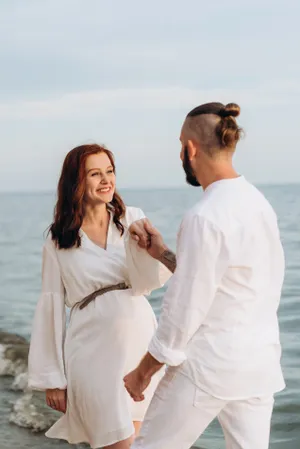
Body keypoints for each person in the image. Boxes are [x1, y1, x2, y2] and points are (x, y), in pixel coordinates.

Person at [124, 102, 286, 449]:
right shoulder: (259, 205)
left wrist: (142, 373)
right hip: (259, 365)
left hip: (208, 366)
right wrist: (162, 253)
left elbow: (182, 310)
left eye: (180, 145)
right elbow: (226, 280)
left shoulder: (205, 215)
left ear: (190, 148)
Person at [28, 144, 172, 449]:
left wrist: (146, 248)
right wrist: (53, 378)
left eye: (110, 171)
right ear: (75, 182)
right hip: (91, 352)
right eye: (95, 173)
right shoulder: (58, 239)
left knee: (141, 443)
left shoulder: (131, 218)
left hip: (138, 344)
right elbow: (50, 307)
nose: (106, 180)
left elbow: (150, 279)